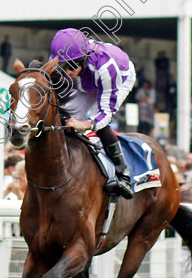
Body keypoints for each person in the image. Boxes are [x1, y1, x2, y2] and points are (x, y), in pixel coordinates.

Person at [49, 28, 136, 199]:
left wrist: (85, 124)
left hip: (117, 80)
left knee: (99, 124)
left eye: (72, 66)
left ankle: (123, 174)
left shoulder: (106, 67)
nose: (67, 71)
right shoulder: (67, 60)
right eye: (62, 66)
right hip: (86, 81)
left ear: (84, 58)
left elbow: (106, 113)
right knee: (65, 117)